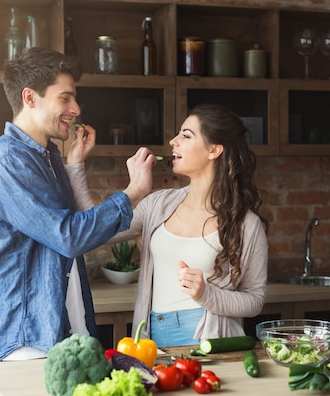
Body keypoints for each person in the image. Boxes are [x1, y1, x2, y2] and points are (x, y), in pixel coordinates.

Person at [0, 47, 156, 364]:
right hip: (28, 342)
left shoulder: (49, 157)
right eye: (65, 98)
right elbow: (68, 236)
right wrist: (133, 192)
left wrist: (73, 166)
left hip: (67, 332)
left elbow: (79, 228)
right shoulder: (4, 161)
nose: (75, 108)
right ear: (30, 98)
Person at [77, 103, 269, 347]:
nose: (172, 141)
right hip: (152, 335)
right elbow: (93, 229)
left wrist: (206, 294)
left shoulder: (246, 224)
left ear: (214, 150)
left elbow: (254, 300)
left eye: (186, 135)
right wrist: (76, 164)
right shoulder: (158, 204)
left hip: (206, 337)